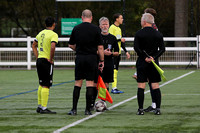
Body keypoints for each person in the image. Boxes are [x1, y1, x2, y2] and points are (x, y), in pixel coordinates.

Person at [68, 9, 104, 115]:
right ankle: (87, 110)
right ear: (91, 17)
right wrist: (101, 60)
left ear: (82, 17)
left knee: (78, 83)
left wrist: (78, 49)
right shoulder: (96, 29)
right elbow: (100, 47)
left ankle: (74, 109)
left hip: (80, 58)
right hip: (91, 58)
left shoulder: (76, 28)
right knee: (90, 83)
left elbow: (71, 45)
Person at [134, 13, 165, 115]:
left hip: (142, 63)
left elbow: (136, 48)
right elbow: (162, 49)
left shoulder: (138, 34)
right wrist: (153, 57)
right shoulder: (158, 34)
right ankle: (158, 109)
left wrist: (144, 57)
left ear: (144, 22)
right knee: (155, 85)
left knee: (141, 86)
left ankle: (140, 109)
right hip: (154, 63)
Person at [91, 17, 119, 109]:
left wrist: (110, 53)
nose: (105, 26)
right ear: (99, 26)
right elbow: (92, 50)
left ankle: (103, 103)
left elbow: (117, 52)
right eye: (103, 24)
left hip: (109, 63)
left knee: (106, 83)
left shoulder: (113, 38)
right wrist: (102, 53)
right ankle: (91, 103)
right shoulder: (96, 36)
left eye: (106, 24)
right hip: (98, 63)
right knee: (95, 83)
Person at [32, 16, 58, 114]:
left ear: (45, 24)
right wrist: (50, 59)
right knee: (46, 85)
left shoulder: (40, 33)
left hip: (40, 60)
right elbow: (52, 46)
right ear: (54, 24)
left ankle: (39, 106)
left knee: (41, 83)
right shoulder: (53, 34)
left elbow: (33, 45)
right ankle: (44, 108)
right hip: (47, 61)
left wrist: (38, 56)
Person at [109, 13, 130, 94]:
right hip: (113, 53)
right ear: (116, 19)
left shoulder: (119, 29)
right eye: (121, 18)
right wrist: (119, 40)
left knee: (116, 70)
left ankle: (114, 87)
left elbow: (120, 42)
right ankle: (113, 88)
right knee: (113, 70)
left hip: (119, 53)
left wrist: (126, 51)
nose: (122, 19)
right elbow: (111, 39)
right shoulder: (112, 27)